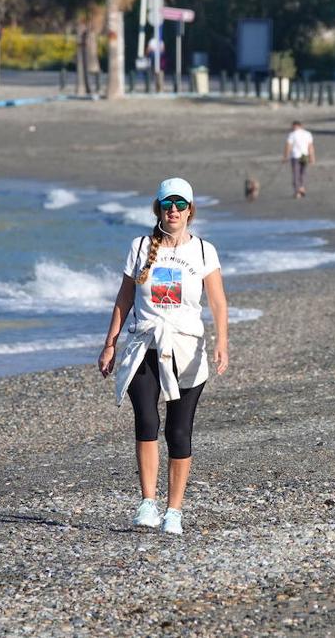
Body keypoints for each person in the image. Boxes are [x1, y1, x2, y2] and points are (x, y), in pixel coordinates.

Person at [98, 177, 230, 535]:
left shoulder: (204, 251)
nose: (174, 211)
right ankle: (147, 503)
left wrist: (221, 342)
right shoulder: (140, 246)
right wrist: (110, 342)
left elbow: (217, 301)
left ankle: (174, 510)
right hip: (144, 346)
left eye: (180, 204)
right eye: (167, 204)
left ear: (190, 209)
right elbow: (124, 298)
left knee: (178, 430)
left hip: (187, 349)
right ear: (158, 208)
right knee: (146, 422)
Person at [283, 120, 316, 199]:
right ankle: (301, 187)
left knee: (296, 174)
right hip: (304, 155)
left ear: (295, 126)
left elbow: (288, 146)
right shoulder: (307, 134)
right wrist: (312, 157)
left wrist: (286, 156)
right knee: (302, 173)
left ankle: (297, 190)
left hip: (296, 156)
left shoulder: (292, 134)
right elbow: (310, 146)